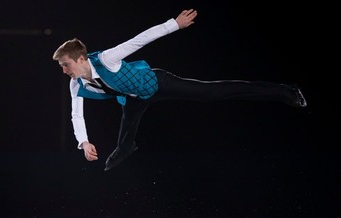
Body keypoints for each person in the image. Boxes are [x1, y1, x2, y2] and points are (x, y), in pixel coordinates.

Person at [52, 9, 307, 172]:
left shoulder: (107, 59)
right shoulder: (76, 83)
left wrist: (174, 24)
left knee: (214, 93)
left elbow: (140, 39)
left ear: (82, 59)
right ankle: (125, 148)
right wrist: (83, 142)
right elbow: (77, 115)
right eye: (62, 66)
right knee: (126, 132)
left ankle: (286, 91)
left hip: (158, 83)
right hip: (134, 99)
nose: (64, 70)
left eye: (66, 65)